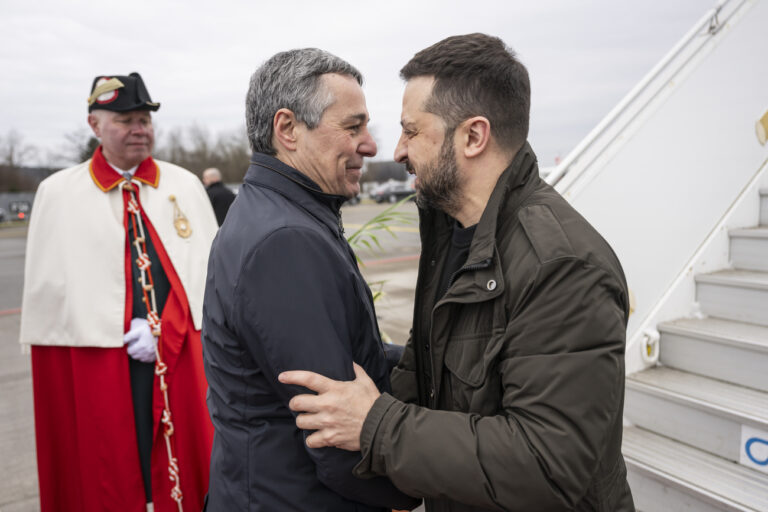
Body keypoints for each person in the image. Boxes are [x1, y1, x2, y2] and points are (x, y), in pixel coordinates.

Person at [280, 34, 636, 511]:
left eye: (411, 131)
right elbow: (436, 374)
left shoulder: (563, 266)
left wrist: (377, 425)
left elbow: (548, 463)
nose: (398, 150)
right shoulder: (453, 234)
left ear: (473, 136)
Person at [200, 49, 419, 511]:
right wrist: (407, 491)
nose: (372, 145)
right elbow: (335, 431)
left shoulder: (282, 214)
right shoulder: (285, 240)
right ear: (288, 129)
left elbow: (352, 354)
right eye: (352, 127)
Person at [20, 72, 218, 511]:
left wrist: (167, 328)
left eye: (145, 120)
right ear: (95, 125)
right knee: (107, 468)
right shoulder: (57, 194)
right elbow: (58, 299)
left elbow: (208, 280)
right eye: (126, 119)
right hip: (100, 362)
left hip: (178, 352)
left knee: (186, 460)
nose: (139, 129)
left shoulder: (184, 185)